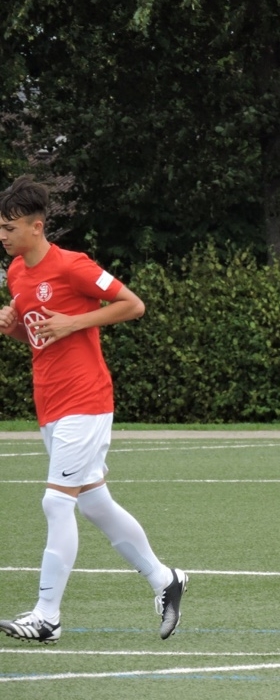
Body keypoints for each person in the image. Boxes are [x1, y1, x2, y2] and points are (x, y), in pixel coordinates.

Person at [0, 176, 187, 644]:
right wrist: (12, 327)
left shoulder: (73, 265)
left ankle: (47, 617)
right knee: (94, 503)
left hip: (85, 399)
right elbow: (38, 335)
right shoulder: (16, 273)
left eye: (9, 228)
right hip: (50, 403)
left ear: (36, 226)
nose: (2, 235)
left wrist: (74, 322)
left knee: (56, 501)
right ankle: (165, 579)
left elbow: (133, 305)